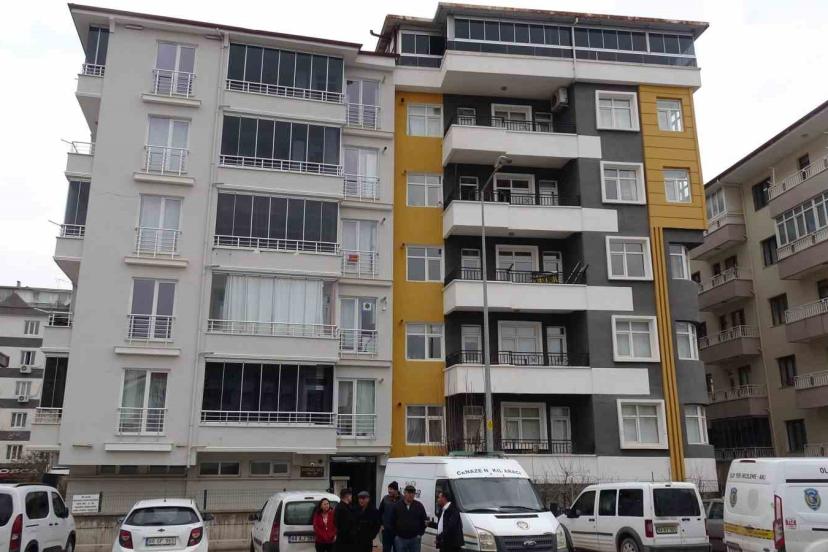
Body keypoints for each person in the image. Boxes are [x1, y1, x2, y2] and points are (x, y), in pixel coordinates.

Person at [390, 484, 428, 552]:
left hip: (415, 539)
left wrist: (420, 533)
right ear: (404, 493)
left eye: (413, 493)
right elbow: (392, 521)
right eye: (409, 493)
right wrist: (396, 535)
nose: (411, 495)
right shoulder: (397, 506)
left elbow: (424, 521)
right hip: (400, 539)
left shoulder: (419, 506)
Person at [378, 481, 400, 552]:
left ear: (396, 490)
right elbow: (380, 512)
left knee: (397, 549)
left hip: (398, 532)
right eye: (388, 489)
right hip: (386, 531)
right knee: (386, 549)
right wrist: (381, 525)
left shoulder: (402, 500)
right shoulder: (385, 498)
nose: (389, 491)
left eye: (391, 489)